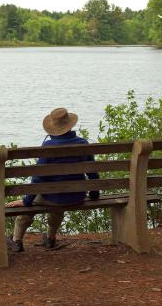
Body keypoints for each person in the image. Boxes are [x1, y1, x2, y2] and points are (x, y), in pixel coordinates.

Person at [6, 108, 100, 252]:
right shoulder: (83, 143)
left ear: (53, 129)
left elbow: (38, 179)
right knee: (58, 200)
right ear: (70, 125)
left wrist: (25, 201)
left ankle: (16, 241)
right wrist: (94, 195)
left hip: (55, 197)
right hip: (77, 196)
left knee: (29, 207)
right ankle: (50, 238)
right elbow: (93, 173)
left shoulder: (48, 147)